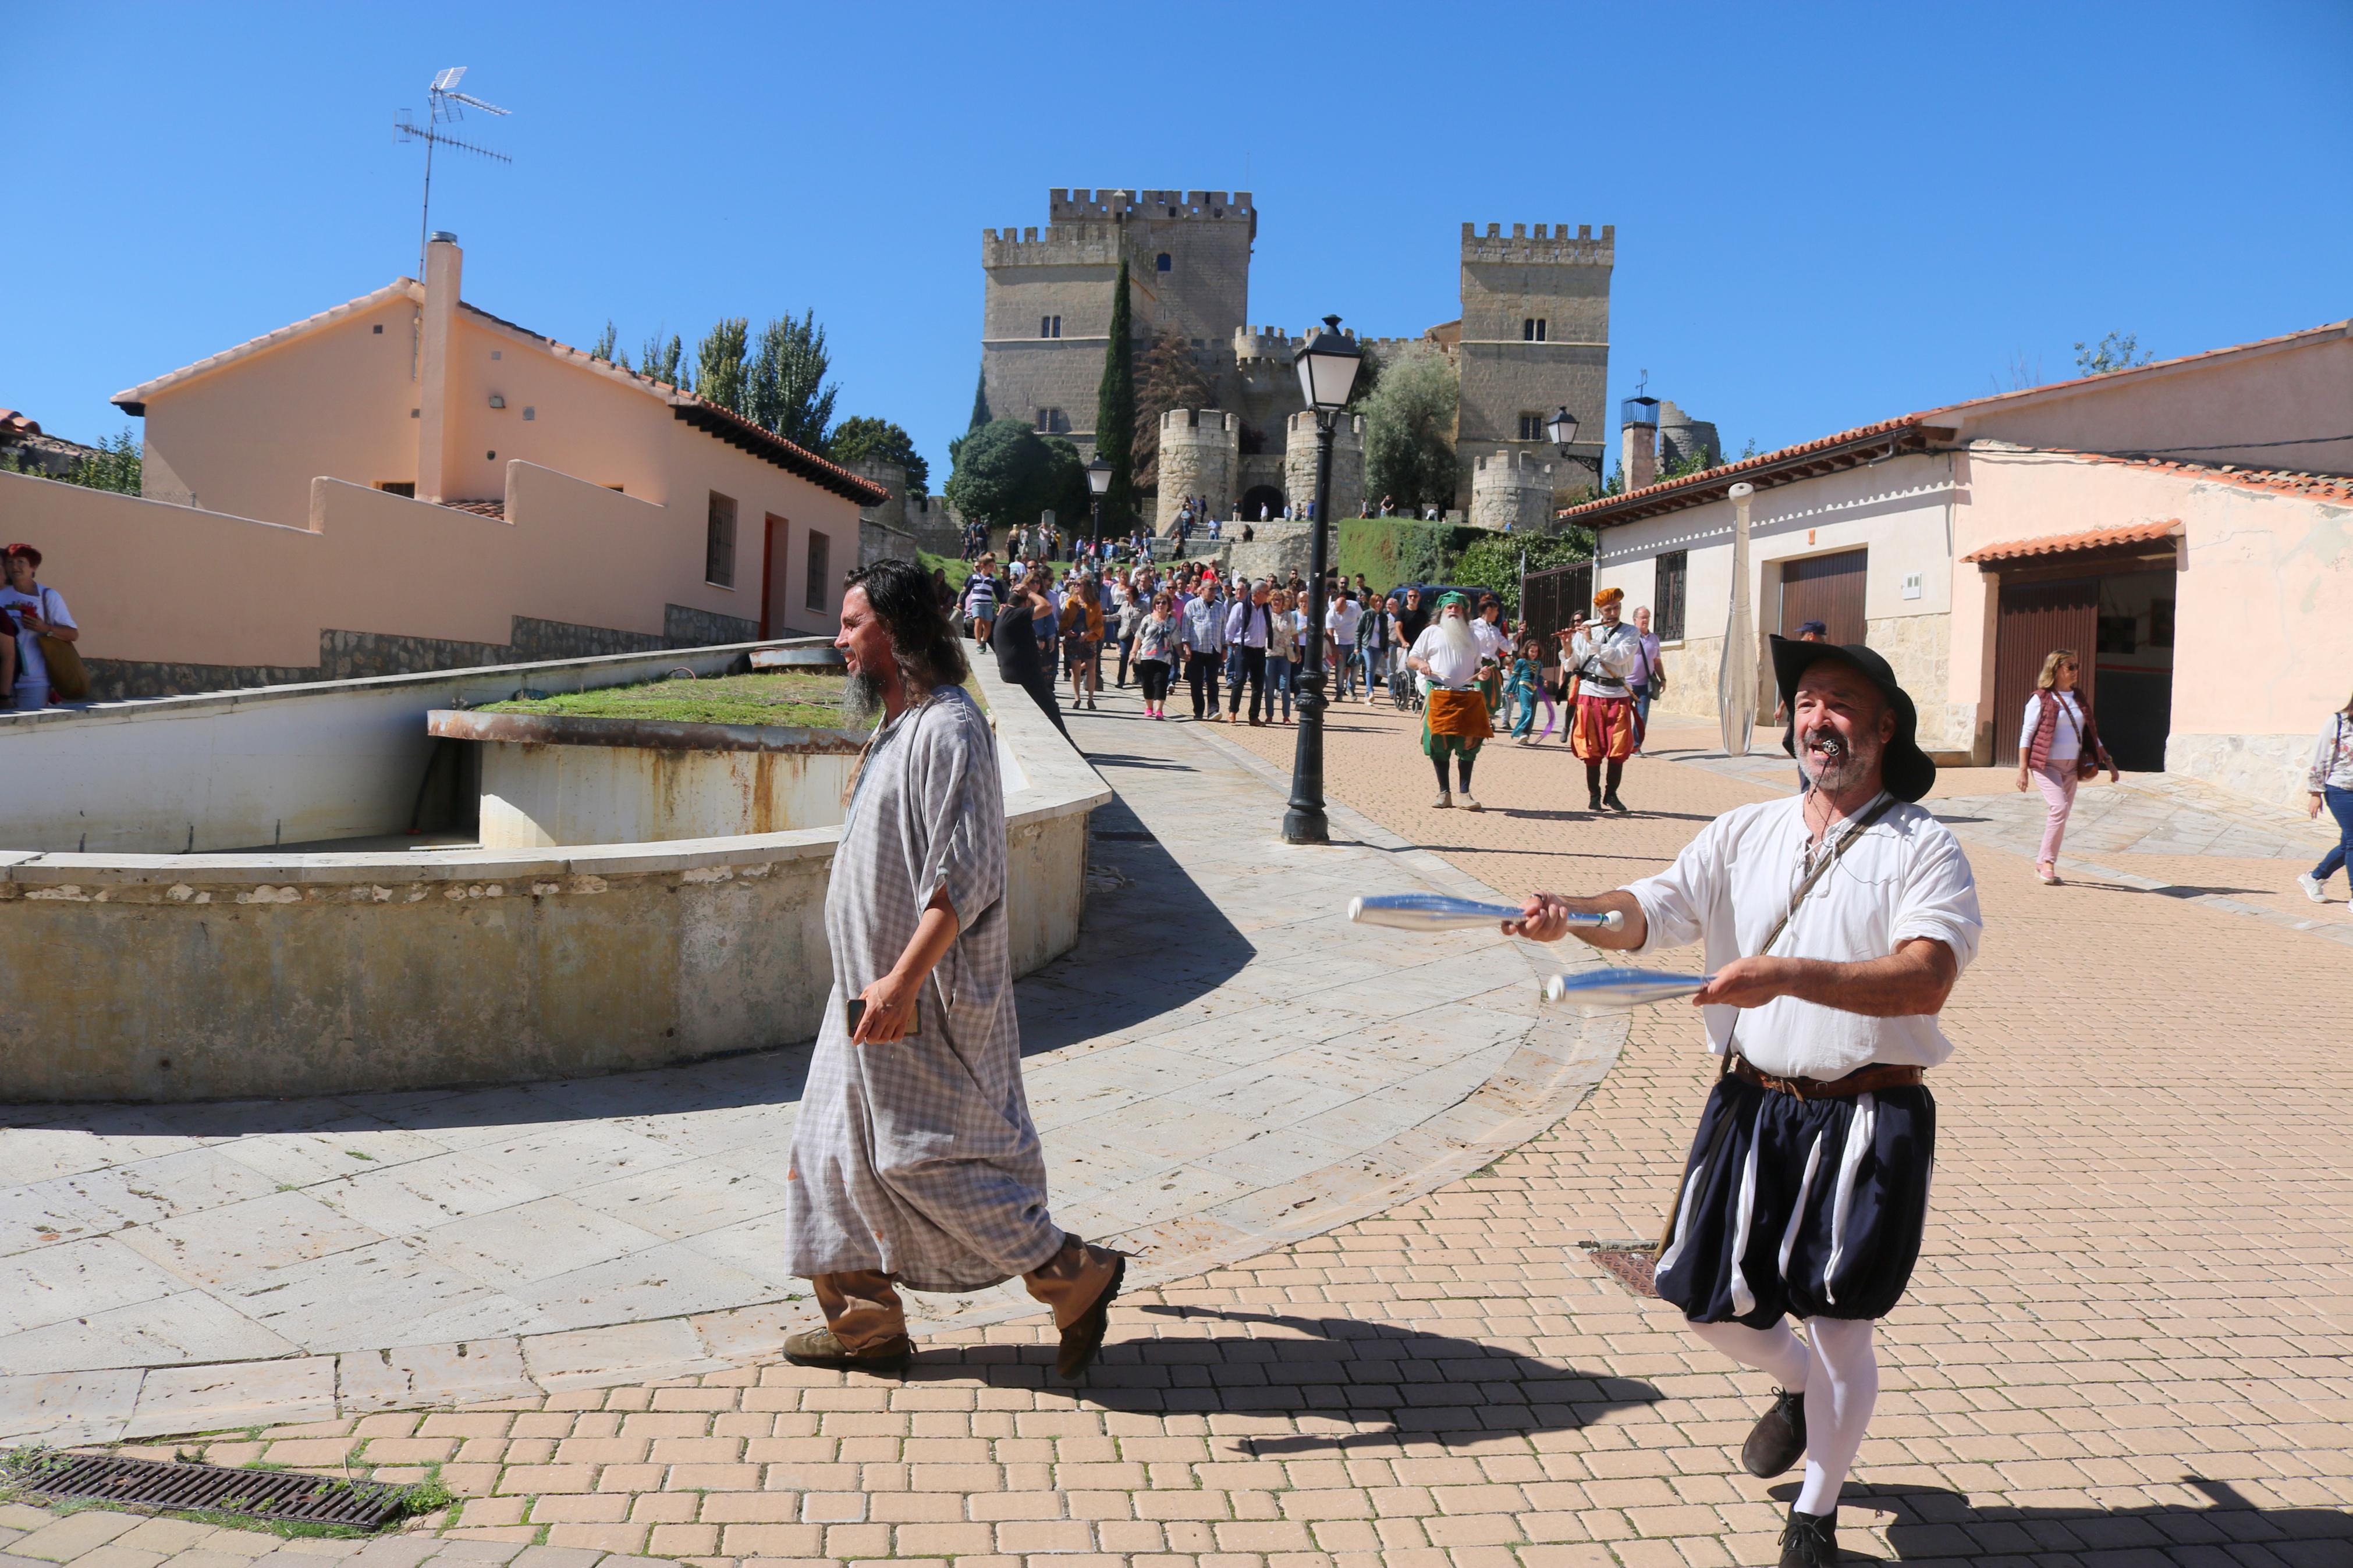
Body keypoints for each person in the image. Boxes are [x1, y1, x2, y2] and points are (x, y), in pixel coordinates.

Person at [1505, 635, 1982, 1568]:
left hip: (1864, 1115)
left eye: (1840, 702)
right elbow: (1650, 906)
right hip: (1750, 1108)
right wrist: (1576, 912)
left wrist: (1788, 976)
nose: (1817, 718)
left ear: (1884, 726)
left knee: (1840, 1315)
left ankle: (1814, 1509)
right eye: (1805, 701)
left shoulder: (1922, 845)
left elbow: (1923, 979)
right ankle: (1798, 1387)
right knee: (1700, 1301)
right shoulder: (1744, 830)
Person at [785, 559, 1124, 1378]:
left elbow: (962, 877)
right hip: (863, 996)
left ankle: (1075, 1273)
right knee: (826, 1151)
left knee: (917, 1158)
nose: (838, 641)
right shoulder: (901, 726)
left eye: (851, 624)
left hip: (917, 998)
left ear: (897, 632)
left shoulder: (950, 729)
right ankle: (865, 1325)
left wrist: (901, 981)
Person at [2014, 648, 2116, 886]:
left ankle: (2042, 862)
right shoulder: (2040, 698)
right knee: (2058, 809)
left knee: (2062, 814)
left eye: (2076, 666)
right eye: (2070, 667)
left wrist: (2108, 762)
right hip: (2046, 764)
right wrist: (2022, 770)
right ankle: (2048, 863)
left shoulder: (2078, 697)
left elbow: (2091, 732)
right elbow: (2026, 734)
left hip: (2072, 767)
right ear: (2056, 669)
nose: (2075, 671)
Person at [1406, 592, 1490, 811]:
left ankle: (1465, 794)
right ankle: (1444, 793)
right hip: (1439, 696)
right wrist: (1422, 665)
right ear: (1442, 611)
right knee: (1439, 745)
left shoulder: (1472, 636)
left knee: (1469, 744)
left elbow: (1476, 667)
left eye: (1458, 608)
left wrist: (1482, 674)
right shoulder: (1431, 632)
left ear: (1464, 611)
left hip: (1466, 696)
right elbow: (1412, 658)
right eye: (1449, 607)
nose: (1453, 610)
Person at [1570, 588, 1646, 812]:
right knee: (1591, 748)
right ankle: (1594, 796)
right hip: (1590, 692)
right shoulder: (1588, 626)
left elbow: (1620, 656)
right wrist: (1568, 644)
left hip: (1618, 695)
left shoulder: (1631, 632)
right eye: (1608, 609)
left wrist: (1592, 642)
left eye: (1617, 608)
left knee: (1619, 747)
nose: (1613, 612)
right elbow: (1577, 659)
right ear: (1600, 611)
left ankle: (1611, 795)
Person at [990, 572, 1066, 737]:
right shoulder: (1015, 614)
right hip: (1023, 674)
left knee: (1047, 705)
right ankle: (1068, 743)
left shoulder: (1006, 613)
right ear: (1025, 603)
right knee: (1051, 707)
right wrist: (1031, 593)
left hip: (1019, 670)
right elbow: (1047, 608)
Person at [1, 545, 76, 709]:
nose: (15, 567)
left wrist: (46, 628)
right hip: (3, 680)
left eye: (21, 562)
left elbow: (72, 634)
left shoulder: (48, 596)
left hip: (35, 680)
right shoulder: (2, 596)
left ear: (33, 567)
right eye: (10, 562)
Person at [2298, 689, 2353, 902]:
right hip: (2340, 789)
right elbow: (2321, 756)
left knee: (2347, 843)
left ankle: (2314, 877)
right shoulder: (2338, 721)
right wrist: (2315, 793)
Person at [1223, 581, 1276, 725]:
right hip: (1243, 649)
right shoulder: (1240, 607)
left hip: (1259, 651)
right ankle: (1233, 711)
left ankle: (1254, 716)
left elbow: (1267, 629)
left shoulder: (1267, 609)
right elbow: (1230, 629)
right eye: (1267, 593)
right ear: (1258, 593)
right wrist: (1233, 646)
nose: (1269, 596)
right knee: (1239, 681)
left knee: (1258, 685)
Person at [1179, 577, 1226, 720]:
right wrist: (1186, 645)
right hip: (1196, 649)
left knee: (1213, 681)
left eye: (1215, 590)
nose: (1213, 592)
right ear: (1202, 590)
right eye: (1210, 589)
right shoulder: (1192, 605)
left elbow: (1223, 629)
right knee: (1196, 682)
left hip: (1214, 649)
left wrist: (1224, 647)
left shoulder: (1220, 607)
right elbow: (1185, 627)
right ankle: (1198, 711)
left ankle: (1213, 710)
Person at [1133, 590, 1181, 720]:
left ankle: (1159, 710)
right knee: (1147, 682)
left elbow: (1176, 639)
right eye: (1158, 603)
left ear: (1168, 605)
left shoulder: (1172, 621)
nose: (1161, 605)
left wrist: (1182, 653)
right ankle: (1149, 707)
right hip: (1147, 656)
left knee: (1161, 682)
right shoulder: (1148, 619)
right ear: (1155, 605)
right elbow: (1139, 636)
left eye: (1164, 603)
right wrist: (1133, 652)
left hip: (1164, 657)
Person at [1061, 575, 1105, 712]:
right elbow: (1064, 621)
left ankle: (1091, 699)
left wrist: (1088, 633)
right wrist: (1066, 632)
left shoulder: (1095, 604)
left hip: (1090, 639)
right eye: (1075, 584)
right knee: (1076, 670)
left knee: (1091, 669)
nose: (1076, 586)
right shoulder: (1071, 602)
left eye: (1079, 584)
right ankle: (1077, 698)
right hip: (1074, 640)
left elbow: (1099, 622)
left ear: (1086, 587)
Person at [1630, 606, 1666, 751]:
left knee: (1642, 717)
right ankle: (1622, 744)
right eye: (1643, 617)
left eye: (1648, 617)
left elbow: (1657, 661)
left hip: (1645, 685)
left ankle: (1636, 746)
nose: (1646, 620)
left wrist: (1663, 679)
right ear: (1635, 620)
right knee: (1623, 717)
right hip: (1627, 684)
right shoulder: (1630, 637)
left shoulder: (1654, 639)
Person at [1266, 587, 1300, 723]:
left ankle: (1286, 715)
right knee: (1269, 687)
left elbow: (1294, 633)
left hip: (1285, 654)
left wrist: (1298, 649)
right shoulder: (1267, 614)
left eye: (1279, 600)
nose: (1277, 602)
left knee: (1285, 686)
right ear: (1271, 600)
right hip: (1269, 654)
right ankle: (1269, 715)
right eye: (1274, 600)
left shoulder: (1288, 615)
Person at [1325, 587, 1363, 701]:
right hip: (1341, 642)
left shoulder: (1355, 606)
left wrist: (1361, 639)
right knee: (1340, 669)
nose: (1339, 612)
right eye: (1337, 610)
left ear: (1346, 605)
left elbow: (1362, 619)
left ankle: (1351, 689)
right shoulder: (1331, 614)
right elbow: (1330, 632)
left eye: (1341, 610)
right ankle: (1339, 691)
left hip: (1355, 642)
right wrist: (1334, 648)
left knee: (1356, 667)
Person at [1506, 637, 1547, 742]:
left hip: (1534, 689)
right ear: (1527, 651)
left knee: (1532, 712)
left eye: (1536, 651)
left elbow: (1538, 677)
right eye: (1532, 651)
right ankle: (1521, 732)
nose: (1534, 654)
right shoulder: (1521, 662)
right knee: (1527, 710)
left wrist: (1543, 681)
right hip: (1524, 687)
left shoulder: (1539, 664)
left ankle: (1526, 734)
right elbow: (1515, 676)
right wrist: (1511, 690)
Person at [1113, 577, 1143, 688]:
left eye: (1128, 594)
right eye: (1126, 594)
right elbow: (1117, 616)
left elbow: (1148, 618)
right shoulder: (1124, 605)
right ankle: (1120, 681)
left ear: (1134, 595)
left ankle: (1140, 677)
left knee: (1138, 658)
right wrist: (1104, 618)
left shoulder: (1142, 605)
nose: (1126, 596)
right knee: (1124, 656)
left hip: (1138, 636)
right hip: (1126, 635)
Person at [962, 557, 999, 650]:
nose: (992, 568)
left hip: (988, 604)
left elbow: (999, 593)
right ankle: (979, 644)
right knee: (978, 621)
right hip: (976, 603)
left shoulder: (992, 580)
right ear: (983, 566)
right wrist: (960, 603)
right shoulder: (974, 578)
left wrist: (1002, 602)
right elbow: (967, 591)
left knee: (988, 625)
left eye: (993, 566)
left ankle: (984, 639)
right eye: (990, 566)